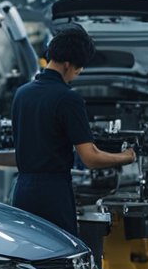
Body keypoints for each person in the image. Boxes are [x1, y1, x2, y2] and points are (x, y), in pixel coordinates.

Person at [11, 24, 134, 235]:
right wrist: (125, 157)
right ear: (67, 64)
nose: (80, 72)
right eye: (79, 68)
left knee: (27, 254)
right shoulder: (68, 99)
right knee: (62, 257)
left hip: (22, 189)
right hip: (52, 194)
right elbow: (90, 157)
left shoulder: (22, 93)